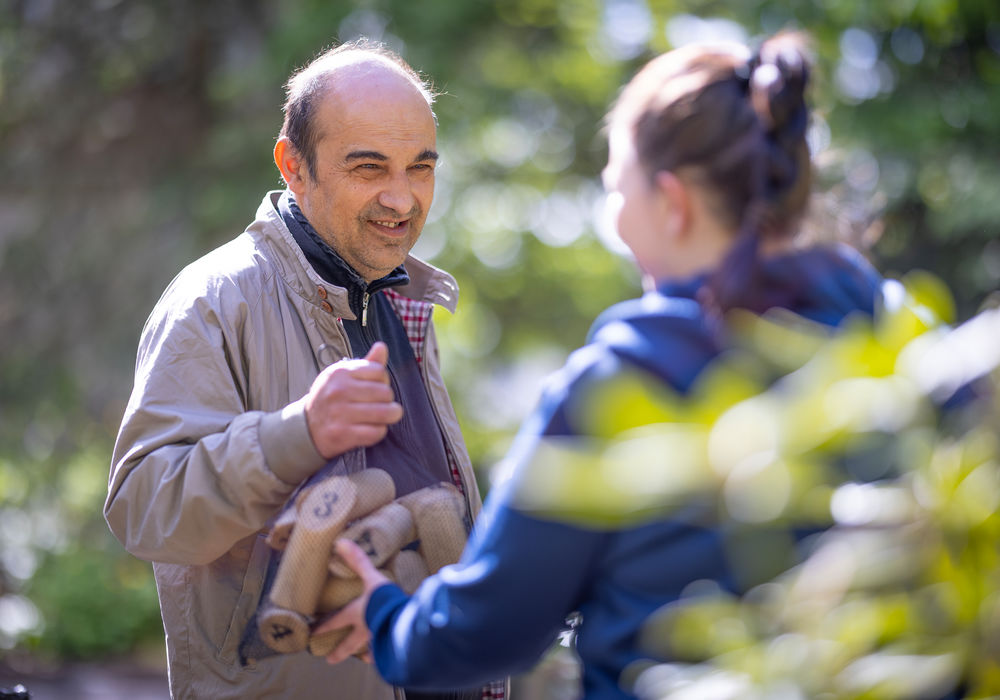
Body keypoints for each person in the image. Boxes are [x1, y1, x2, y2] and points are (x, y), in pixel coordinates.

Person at [317, 32, 890, 700]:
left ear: (672, 203)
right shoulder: (894, 350)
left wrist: (387, 615)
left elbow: (483, 632)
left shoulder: (619, 387)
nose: (615, 221)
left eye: (619, 191)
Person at [105, 39, 503, 700]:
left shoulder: (401, 299)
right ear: (294, 166)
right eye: (368, 167)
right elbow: (146, 509)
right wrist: (301, 433)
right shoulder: (214, 300)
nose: (401, 200)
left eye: (420, 167)